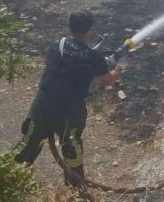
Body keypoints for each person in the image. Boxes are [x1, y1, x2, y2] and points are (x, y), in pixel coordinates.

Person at [14, 11, 121, 188]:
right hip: (70, 110)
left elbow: (67, 63)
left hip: (43, 103)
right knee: (71, 147)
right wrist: (117, 70)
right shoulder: (93, 57)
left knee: (30, 141)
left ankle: (10, 178)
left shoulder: (57, 45)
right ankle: (75, 187)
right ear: (90, 29)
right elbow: (107, 80)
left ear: (70, 26)